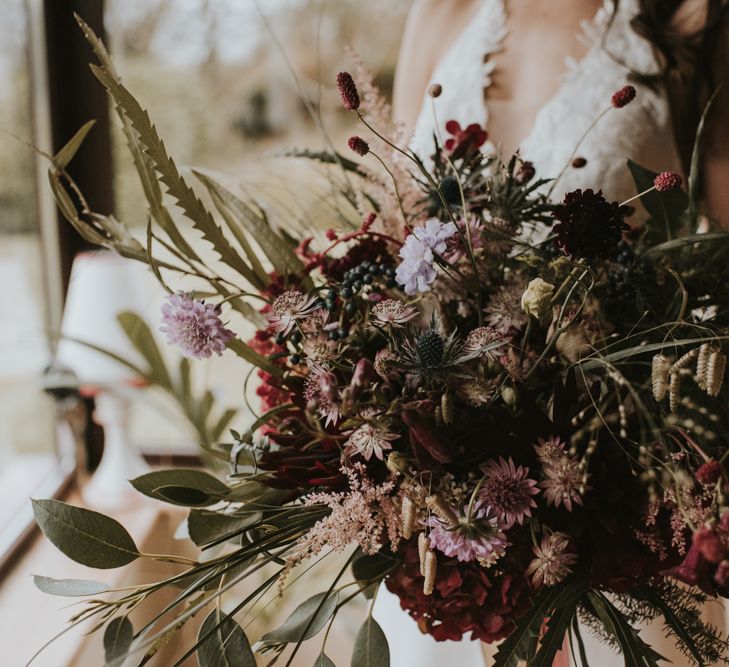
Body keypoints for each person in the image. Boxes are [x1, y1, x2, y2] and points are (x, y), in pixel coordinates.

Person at [373, 1, 729, 665]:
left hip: (622, 512)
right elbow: (394, 246)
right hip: (441, 525)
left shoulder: (689, 19)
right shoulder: (440, 12)